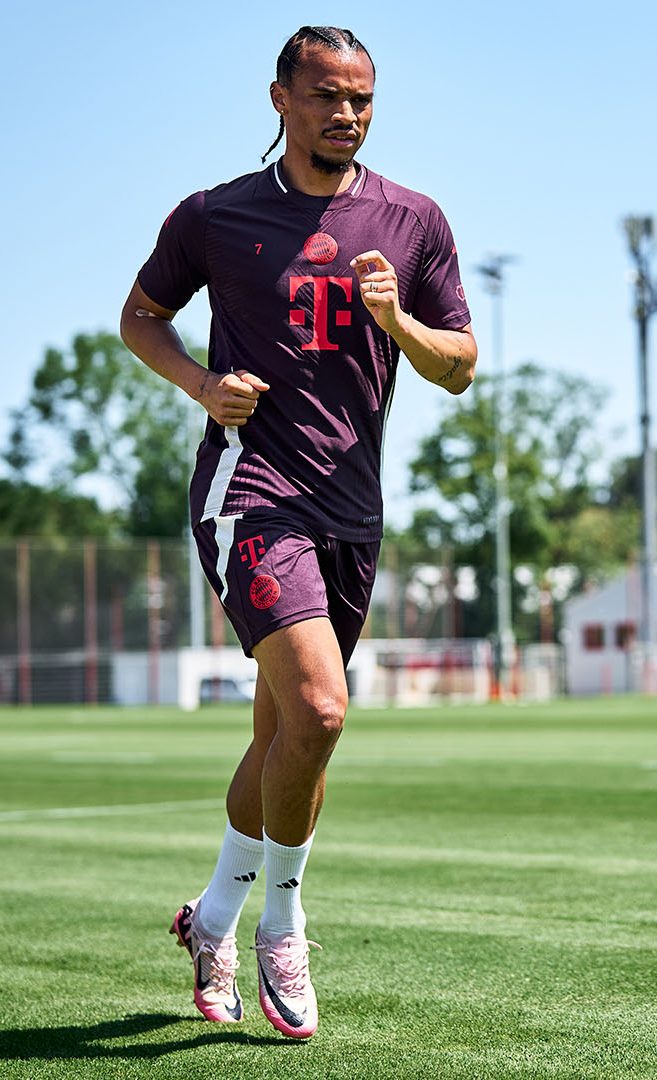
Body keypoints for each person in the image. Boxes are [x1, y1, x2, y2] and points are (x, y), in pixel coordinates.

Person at [119, 25, 475, 1039]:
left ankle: (214, 918)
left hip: (351, 509)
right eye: (324, 95)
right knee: (320, 709)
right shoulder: (216, 215)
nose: (345, 113)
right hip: (249, 490)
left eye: (360, 97)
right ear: (280, 97)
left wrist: (396, 319)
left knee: (284, 734)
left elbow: (461, 364)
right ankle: (284, 926)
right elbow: (140, 316)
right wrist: (200, 385)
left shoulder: (414, 220)